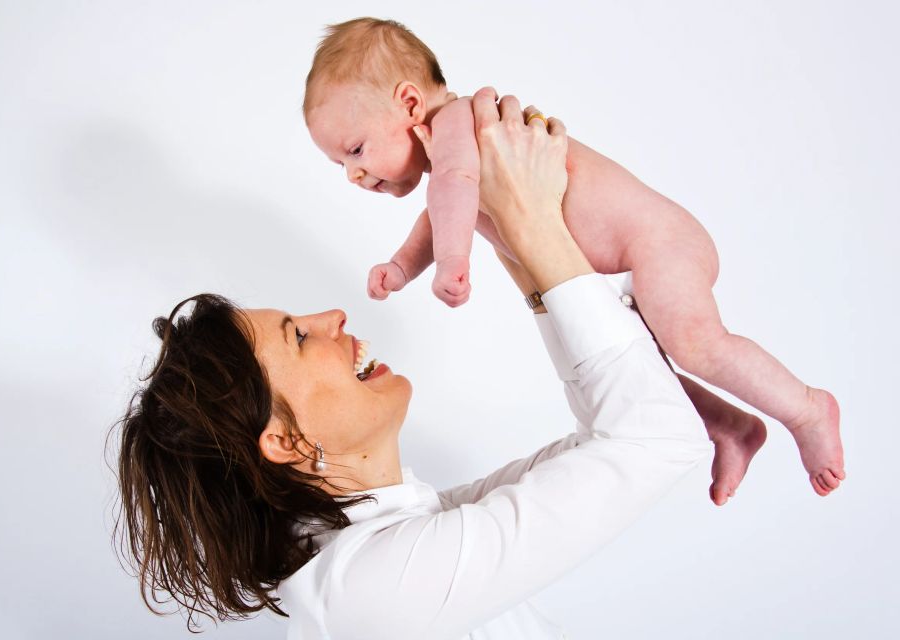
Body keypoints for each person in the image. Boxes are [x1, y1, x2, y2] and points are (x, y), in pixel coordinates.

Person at [114, 89, 711, 638]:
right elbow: (658, 437)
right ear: (286, 442)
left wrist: (509, 235)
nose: (333, 317)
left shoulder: (386, 545)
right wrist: (530, 220)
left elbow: (612, 435)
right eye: (297, 337)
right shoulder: (370, 591)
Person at [302, 17, 844, 504]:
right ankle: (728, 425)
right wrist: (401, 267)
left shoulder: (459, 126)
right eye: (339, 164)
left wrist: (452, 262)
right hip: (619, 271)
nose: (352, 173)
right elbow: (441, 209)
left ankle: (806, 407)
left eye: (355, 150)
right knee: (639, 364)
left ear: (411, 104)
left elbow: (451, 190)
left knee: (697, 344)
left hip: (657, 244)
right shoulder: (452, 163)